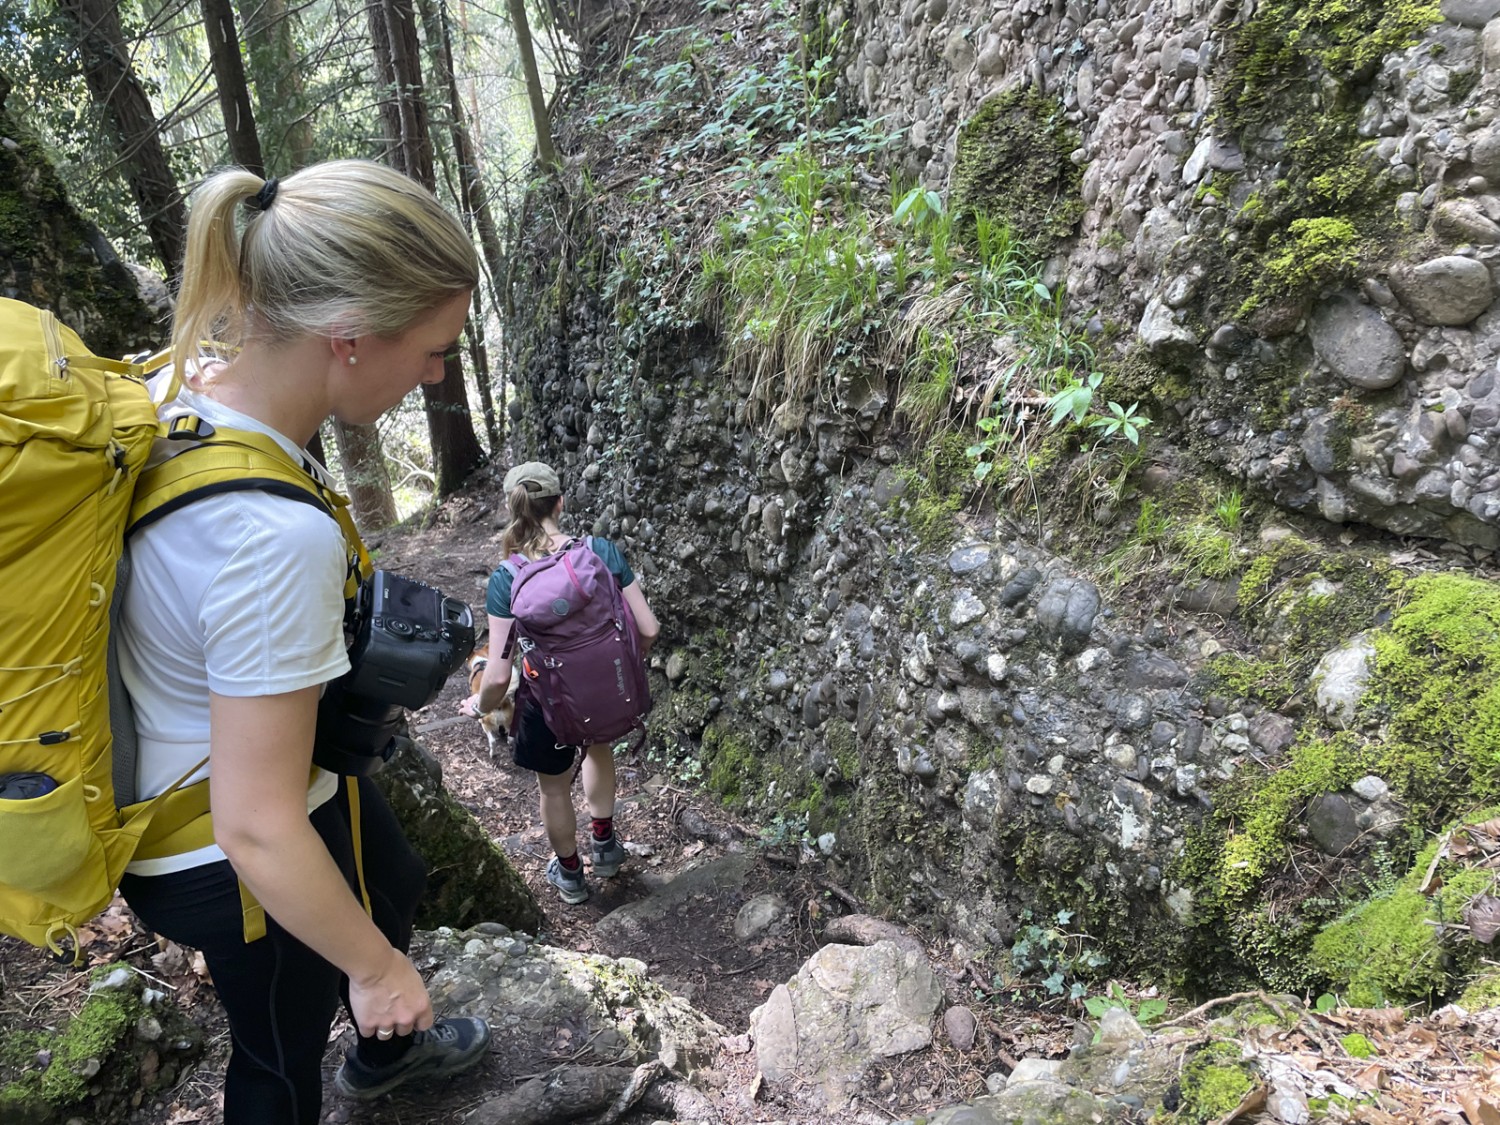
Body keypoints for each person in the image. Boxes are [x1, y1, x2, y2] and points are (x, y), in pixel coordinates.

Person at [115, 160, 490, 1124]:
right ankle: (370, 1035)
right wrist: (376, 969)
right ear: (351, 337)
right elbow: (257, 823)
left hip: (232, 770)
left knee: (394, 872)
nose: (440, 374)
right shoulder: (272, 539)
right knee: (279, 1059)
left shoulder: (184, 388)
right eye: (436, 348)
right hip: (219, 849)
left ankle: (384, 1049)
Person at [461, 462, 660, 903]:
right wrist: (616, 666)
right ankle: (605, 847)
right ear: (560, 503)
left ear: (513, 510)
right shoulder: (601, 552)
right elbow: (648, 628)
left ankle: (571, 875)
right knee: (598, 747)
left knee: (552, 785)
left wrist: (479, 707)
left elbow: (496, 674)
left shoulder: (507, 578)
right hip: (605, 689)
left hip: (544, 702)